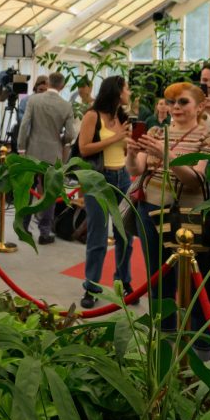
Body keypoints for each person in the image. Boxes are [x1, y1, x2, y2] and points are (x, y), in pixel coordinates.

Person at [130, 82, 210, 289]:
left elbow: (196, 179)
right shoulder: (156, 133)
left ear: (199, 107)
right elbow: (136, 170)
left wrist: (167, 155)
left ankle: (191, 322)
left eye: (183, 101)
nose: (176, 106)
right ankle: (163, 322)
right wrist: (132, 154)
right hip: (148, 208)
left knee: (190, 281)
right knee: (157, 278)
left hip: (187, 211)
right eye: (172, 102)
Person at [77, 75, 136, 307]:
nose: (129, 93)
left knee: (125, 234)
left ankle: (124, 281)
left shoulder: (121, 117)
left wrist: (127, 141)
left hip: (123, 177)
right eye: (127, 89)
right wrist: (118, 137)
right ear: (117, 91)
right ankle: (91, 286)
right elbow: (84, 149)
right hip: (99, 179)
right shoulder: (93, 115)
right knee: (98, 236)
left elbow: (121, 148)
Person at [17, 72, 76, 244]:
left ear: (48, 82)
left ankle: (23, 227)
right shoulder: (66, 106)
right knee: (50, 194)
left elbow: (24, 125)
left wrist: (22, 148)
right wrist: (60, 140)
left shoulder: (34, 100)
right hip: (53, 154)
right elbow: (70, 134)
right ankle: (44, 232)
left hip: (32, 152)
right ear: (62, 86)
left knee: (28, 190)